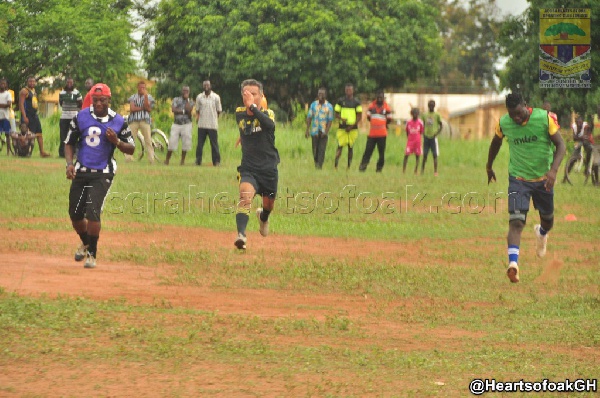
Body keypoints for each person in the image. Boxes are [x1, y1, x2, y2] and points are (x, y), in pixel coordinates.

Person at [486, 92, 565, 283]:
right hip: (518, 179)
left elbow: (561, 145)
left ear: (525, 104)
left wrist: (553, 171)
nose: (516, 118)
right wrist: (489, 166)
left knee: (548, 221)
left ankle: (542, 233)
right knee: (516, 222)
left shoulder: (544, 119)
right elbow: (495, 143)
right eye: (512, 114)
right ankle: (513, 264)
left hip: (543, 180)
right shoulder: (504, 123)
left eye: (519, 113)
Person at [64, 83, 135, 269]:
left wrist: (117, 141)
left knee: (92, 212)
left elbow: (132, 148)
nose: (98, 103)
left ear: (109, 100)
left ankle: (92, 255)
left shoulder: (118, 121)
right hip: (81, 170)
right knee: (75, 214)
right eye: (95, 100)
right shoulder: (81, 117)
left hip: (103, 172)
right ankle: (86, 243)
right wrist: (69, 164)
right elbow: (69, 142)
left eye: (102, 100)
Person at [233, 79, 279, 251]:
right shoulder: (239, 113)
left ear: (261, 96)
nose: (250, 97)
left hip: (269, 169)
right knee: (245, 197)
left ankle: (263, 216)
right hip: (249, 168)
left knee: (269, 205)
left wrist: (253, 107)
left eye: (254, 94)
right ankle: (241, 236)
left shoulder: (269, 114)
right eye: (247, 94)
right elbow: (248, 125)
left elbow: (268, 125)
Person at [359, 90, 392, 172]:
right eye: (378, 97)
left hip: (382, 134)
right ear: (376, 97)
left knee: (381, 153)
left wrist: (382, 123)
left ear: (383, 98)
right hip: (372, 134)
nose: (379, 99)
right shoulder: (371, 106)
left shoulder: (387, 107)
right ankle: (363, 167)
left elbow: (389, 119)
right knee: (367, 151)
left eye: (381, 97)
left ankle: (379, 169)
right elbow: (369, 117)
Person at [19, 76, 50, 157]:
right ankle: (26, 152)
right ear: (27, 82)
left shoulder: (34, 91)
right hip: (27, 115)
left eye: (33, 82)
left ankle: (42, 152)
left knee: (39, 133)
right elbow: (21, 104)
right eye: (30, 81)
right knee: (29, 134)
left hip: (34, 115)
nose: (32, 83)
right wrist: (24, 116)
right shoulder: (24, 91)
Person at [334, 83, 362, 170]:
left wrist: (352, 125)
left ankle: (348, 167)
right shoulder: (340, 101)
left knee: (350, 147)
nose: (348, 92)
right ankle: (335, 166)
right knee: (340, 146)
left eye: (350, 90)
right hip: (342, 128)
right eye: (347, 90)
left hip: (352, 129)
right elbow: (336, 113)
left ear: (353, 91)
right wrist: (341, 118)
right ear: (345, 91)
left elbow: (359, 116)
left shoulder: (357, 102)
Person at [305, 87, 334, 169]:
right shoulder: (313, 105)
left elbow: (330, 120)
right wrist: (307, 130)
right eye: (319, 94)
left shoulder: (329, 106)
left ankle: (319, 166)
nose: (320, 95)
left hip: (323, 131)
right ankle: (316, 164)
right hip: (314, 131)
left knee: (322, 149)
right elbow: (309, 117)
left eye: (322, 94)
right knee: (315, 149)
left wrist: (326, 132)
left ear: (325, 95)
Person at [195, 80, 222, 166]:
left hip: (212, 124)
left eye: (208, 85)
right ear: (203, 86)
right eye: (204, 85)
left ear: (210, 86)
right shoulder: (199, 97)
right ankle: (198, 161)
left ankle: (216, 161)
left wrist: (214, 118)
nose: (206, 86)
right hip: (202, 124)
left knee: (214, 144)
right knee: (200, 144)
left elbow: (219, 111)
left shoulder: (216, 97)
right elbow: (197, 110)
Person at [165, 86, 194, 166]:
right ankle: (167, 160)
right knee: (172, 142)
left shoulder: (191, 101)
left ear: (189, 92)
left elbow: (189, 111)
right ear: (181, 91)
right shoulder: (176, 99)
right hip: (176, 124)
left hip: (187, 124)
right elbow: (174, 110)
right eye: (184, 90)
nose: (185, 92)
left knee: (186, 143)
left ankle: (182, 161)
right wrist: (183, 111)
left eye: (187, 91)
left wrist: (187, 100)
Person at [128, 80, 155, 163]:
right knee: (131, 140)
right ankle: (128, 158)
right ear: (137, 88)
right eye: (140, 87)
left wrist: (145, 96)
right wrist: (142, 108)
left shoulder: (149, 97)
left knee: (148, 140)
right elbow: (132, 109)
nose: (142, 89)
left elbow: (148, 108)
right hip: (134, 120)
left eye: (144, 87)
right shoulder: (133, 97)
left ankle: (151, 159)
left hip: (144, 120)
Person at [58, 77, 83, 158]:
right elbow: (61, 103)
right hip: (64, 117)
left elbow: (80, 104)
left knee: (73, 134)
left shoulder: (77, 93)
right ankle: (62, 153)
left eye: (71, 83)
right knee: (63, 135)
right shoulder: (62, 93)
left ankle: (74, 153)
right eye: (68, 83)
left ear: (73, 83)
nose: (69, 84)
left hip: (73, 117)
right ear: (66, 83)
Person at [562, 115, 591, 182]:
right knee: (572, 159)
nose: (579, 124)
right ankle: (565, 177)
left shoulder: (585, 126)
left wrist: (580, 137)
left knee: (589, 150)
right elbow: (574, 138)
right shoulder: (574, 127)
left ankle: (587, 167)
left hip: (587, 141)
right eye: (578, 123)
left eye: (580, 123)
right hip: (579, 142)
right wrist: (580, 137)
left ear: (582, 122)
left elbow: (585, 137)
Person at [421, 99, 442, 176]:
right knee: (425, 154)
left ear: (434, 106)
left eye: (432, 105)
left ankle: (435, 171)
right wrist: (423, 132)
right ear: (428, 106)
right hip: (426, 137)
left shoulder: (437, 115)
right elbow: (422, 124)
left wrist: (437, 133)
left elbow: (441, 125)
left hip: (433, 137)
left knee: (434, 155)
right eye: (430, 105)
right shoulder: (424, 115)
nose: (431, 107)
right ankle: (422, 170)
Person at [403, 108, 423, 174]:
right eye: (413, 113)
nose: (415, 115)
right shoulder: (408, 122)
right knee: (406, 155)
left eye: (416, 114)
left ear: (418, 114)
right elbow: (407, 131)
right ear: (411, 114)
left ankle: (415, 170)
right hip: (410, 142)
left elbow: (421, 131)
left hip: (417, 142)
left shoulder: (420, 122)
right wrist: (409, 138)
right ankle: (404, 171)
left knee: (417, 156)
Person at [0, 78, 12, 155]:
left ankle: (8, 152)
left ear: (6, 85)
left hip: (5, 117)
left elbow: (9, 104)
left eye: (4, 84)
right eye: (1, 83)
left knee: (7, 134)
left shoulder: (8, 94)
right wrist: (3, 105)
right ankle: (2, 141)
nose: (2, 85)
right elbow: (5, 104)